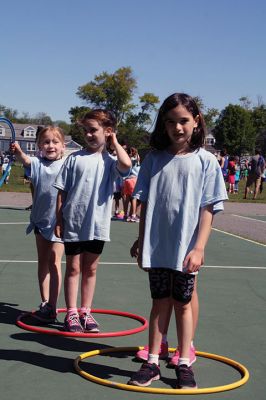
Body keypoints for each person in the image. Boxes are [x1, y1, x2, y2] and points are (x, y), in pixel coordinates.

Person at [127, 93, 228, 389]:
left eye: (184, 121)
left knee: (183, 304)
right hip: (158, 248)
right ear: (163, 125)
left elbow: (209, 208)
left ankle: (184, 361)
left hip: (186, 250)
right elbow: (144, 203)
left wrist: (199, 247)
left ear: (196, 122)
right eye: (170, 122)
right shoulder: (153, 159)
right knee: (159, 304)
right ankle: (152, 363)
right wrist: (140, 238)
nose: (177, 127)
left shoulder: (206, 161)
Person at [54, 109, 131, 333]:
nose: (88, 134)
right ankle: (71, 313)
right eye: (85, 130)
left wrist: (114, 140)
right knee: (74, 268)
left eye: (93, 130)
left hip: (98, 225)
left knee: (91, 269)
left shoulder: (110, 161)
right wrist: (59, 219)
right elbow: (62, 191)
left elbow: (126, 165)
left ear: (107, 132)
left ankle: (85, 311)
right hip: (74, 223)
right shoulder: (73, 159)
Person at [10, 126, 66, 322]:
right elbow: (25, 160)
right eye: (46, 142)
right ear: (39, 145)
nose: (50, 145)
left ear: (63, 145)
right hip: (40, 222)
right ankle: (45, 302)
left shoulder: (67, 165)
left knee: (54, 261)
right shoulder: (36, 163)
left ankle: (53, 304)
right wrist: (17, 151)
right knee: (42, 261)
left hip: (60, 223)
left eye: (55, 141)